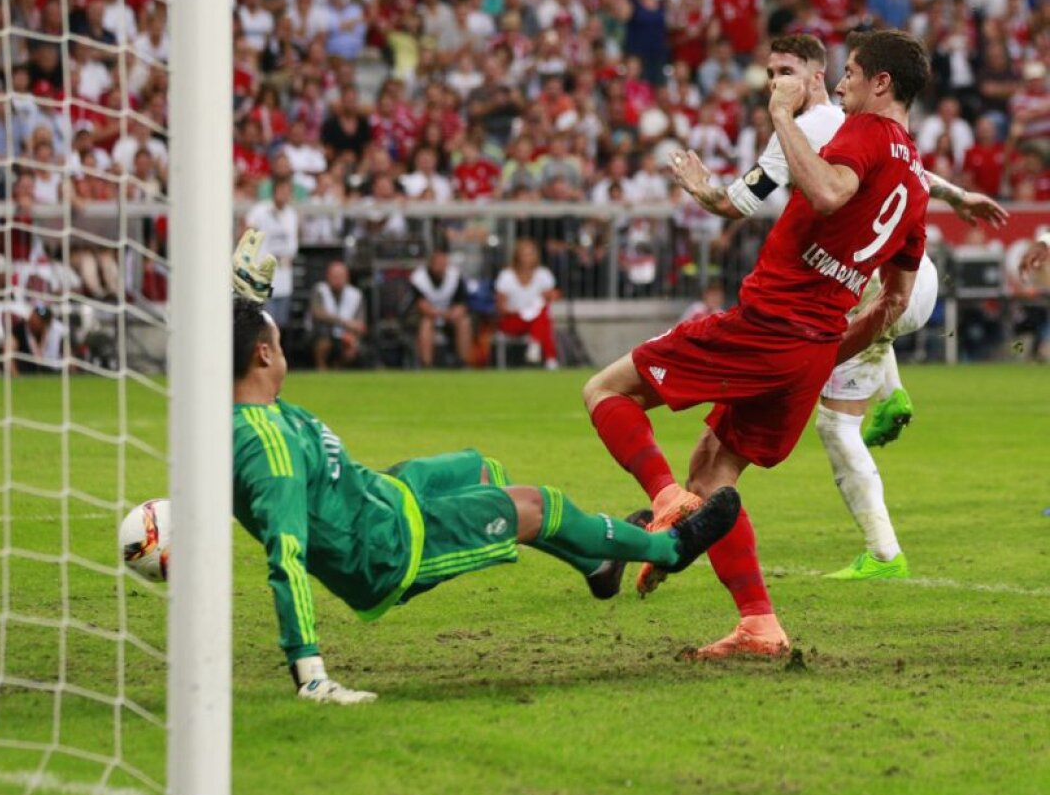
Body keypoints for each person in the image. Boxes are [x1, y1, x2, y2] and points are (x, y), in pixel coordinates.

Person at [228, 237, 742, 702]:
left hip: (383, 493)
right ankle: (670, 548)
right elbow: (287, 556)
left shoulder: (246, 403)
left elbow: (234, 349)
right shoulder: (269, 450)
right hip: (384, 545)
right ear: (265, 353)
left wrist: (242, 296)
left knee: (481, 469)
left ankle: (598, 566)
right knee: (536, 506)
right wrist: (310, 673)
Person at [583, 30, 936, 659]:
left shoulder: (860, 131)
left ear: (881, 83)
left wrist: (780, 113)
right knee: (713, 469)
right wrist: (826, 354)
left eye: (851, 71)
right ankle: (759, 624)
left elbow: (828, 193)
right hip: (812, 346)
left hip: (767, 322)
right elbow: (894, 304)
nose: (843, 83)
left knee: (605, 390)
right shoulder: (917, 179)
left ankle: (664, 506)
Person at [669, 34, 1007, 581]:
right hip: (907, 282)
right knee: (847, 302)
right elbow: (910, 173)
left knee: (833, 419)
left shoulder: (806, 130)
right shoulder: (877, 130)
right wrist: (958, 196)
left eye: (787, 70)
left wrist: (700, 188)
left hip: (876, 289)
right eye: (771, 70)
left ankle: (883, 554)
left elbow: (739, 203)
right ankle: (890, 388)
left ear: (817, 75)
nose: (776, 80)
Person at [494, 239, 560, 369]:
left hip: (535, 321)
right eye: (525, 254)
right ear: (517, 256)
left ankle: (536, 346)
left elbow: (551, 297)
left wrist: (547, 298)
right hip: (513, 319)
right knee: (542, 320)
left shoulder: (543, 274)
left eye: (531, 254)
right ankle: (549, 358)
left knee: (542, 314)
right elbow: (500, 308)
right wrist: (521, 311)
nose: (528, 258)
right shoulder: (506, 276)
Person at [244, 180, 299, 325]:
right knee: (266, 321)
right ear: (274, 192)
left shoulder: (291, 214)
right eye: (282, 191)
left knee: (281, 322)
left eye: (288, 191)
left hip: (284, 272)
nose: (285, 195)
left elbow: (293, 241)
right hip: (264, 273)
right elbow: (247, 231)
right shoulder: (260, 211)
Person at [410, 249, 473, 369]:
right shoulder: (418, 278)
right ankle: (427, 365)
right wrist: (439, 314)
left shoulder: (455, 276)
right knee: (426, 323)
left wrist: (452, 313)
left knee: (464, 322)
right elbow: (422, 306)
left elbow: (461, 305)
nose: (440, 264)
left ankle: (463, 363)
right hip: (428, 315)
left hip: (449, 316)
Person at [309, 260, 366, 370]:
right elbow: (318, 314)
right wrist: (345, 323)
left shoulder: (355, 295)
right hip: (322, 332)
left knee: (352, 344)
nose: (338, 280)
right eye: (335, 276)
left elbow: (360, 324)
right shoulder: (320, 290)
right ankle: (321, 369)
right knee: (323, 340)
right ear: (328, 277)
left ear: (347, 278)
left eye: (341, 276)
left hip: (345, 335)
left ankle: (338, 368)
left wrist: (352, 334)